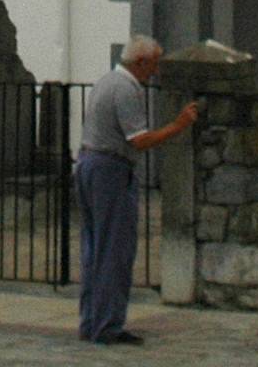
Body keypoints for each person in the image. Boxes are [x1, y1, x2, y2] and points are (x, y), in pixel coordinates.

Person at [75, 35, 197, 345]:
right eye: (154, 63)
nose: (155, 71)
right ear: (141, 62)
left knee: (95, 248)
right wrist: (178, 125)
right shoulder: (127, 89)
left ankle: (92, 321)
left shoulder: (106, 81)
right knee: (115, 250)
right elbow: (138, 140)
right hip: (111, 170)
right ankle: (107, 325)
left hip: (89, 163)